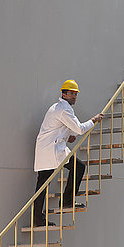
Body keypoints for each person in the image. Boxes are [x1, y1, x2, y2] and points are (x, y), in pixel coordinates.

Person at [33, 79, 104, 226]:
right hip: (50, 150)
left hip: (51, 149)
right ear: (64, 94)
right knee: (76, 168)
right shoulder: (63, 109)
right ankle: (66, 202)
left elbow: (62, 127)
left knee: (43, 184)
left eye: (75, 94)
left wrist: (68, 135)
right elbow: (79, 128)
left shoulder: (59, 107)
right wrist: (94, 120)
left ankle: (39, 218)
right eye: (72, 94)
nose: (74, 96)